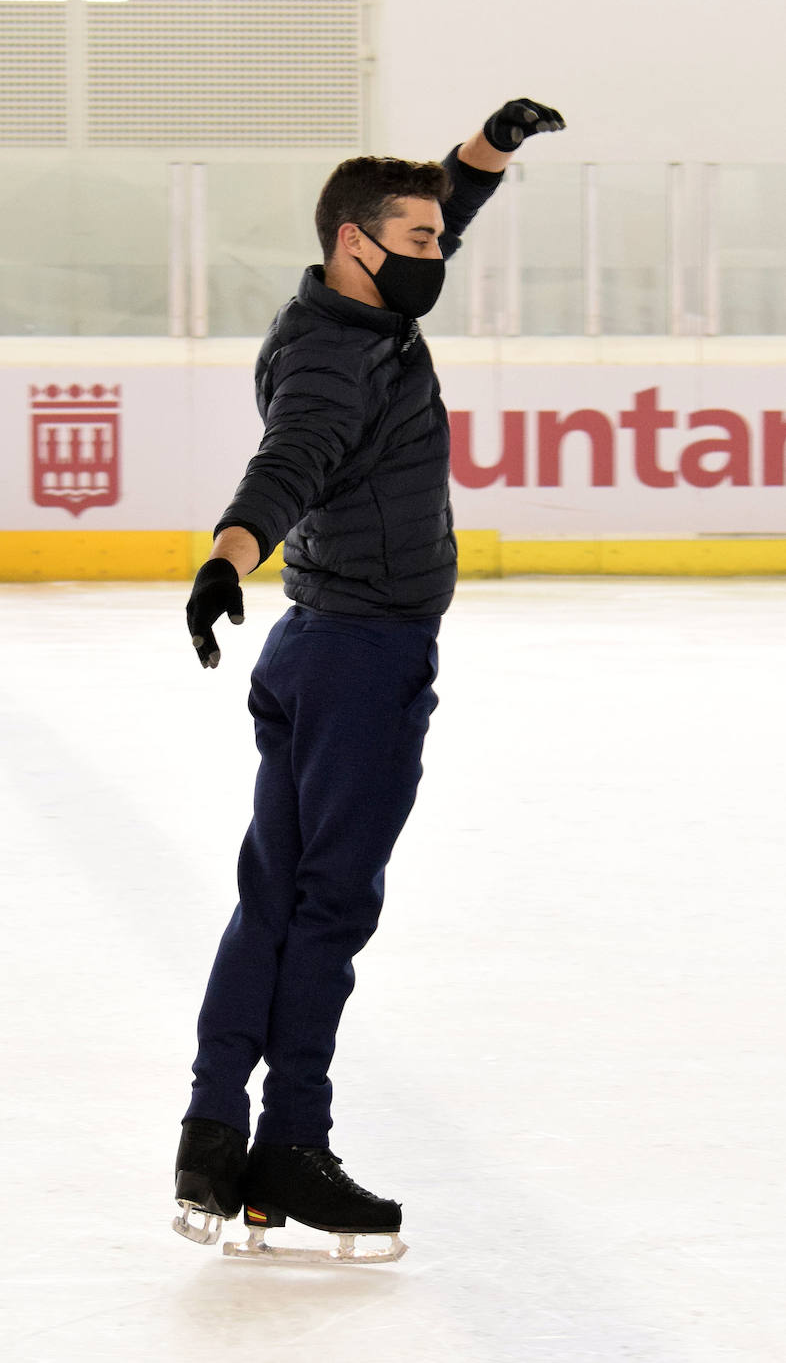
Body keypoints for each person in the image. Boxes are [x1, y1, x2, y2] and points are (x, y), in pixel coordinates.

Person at [174, 98, 566, 1264]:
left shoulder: (339, 309)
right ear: (356, 241)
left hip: (313, 646)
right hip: (360, 659)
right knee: (327, 910)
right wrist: (227, 552)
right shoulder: (338, 359)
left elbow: (447, 200)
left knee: (271, 899)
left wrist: (488, 148)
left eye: (439, 238)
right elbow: (288, 460)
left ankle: (210, 1133)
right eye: (419, 242)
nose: (437, 253)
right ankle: (290, 1145)